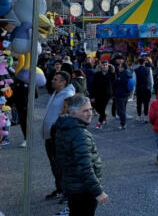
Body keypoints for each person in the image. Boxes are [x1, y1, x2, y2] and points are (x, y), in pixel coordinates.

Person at [55, 96, 108, 216]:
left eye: (90, 109)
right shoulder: (80, 135)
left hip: (72, 187)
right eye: (85, 111)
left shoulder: (63, 128)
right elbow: (85, 167)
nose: (90, 113)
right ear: (73, 113)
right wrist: (98, 192)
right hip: (84, 190)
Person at [43, 71, 76, 201]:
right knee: (54, 165)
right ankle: (60, 189)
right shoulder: (56, 93)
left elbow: (69, 117)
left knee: (62, 165)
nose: (52, 80)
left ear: (63, 82)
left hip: (59, 137)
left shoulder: (67, 96)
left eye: (55, 79)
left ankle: (68, 193)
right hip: (50, 136)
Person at [91, 60, 115, 129]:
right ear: (101, 65)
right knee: (98, 108)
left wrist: (113, 96)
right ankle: (104, 116)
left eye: (106, 65)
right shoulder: (97, 74)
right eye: (103, 65)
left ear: (108, 65)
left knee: (102, 108)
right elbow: (93, 85)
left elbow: (115, 85)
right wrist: (92, 96)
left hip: (107, 94)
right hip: (98, 94)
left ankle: (99, 123)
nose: (104, 66)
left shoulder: (111, 74)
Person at [112, 63, 133, 129]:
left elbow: (118, 82)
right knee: (123, 108)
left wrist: (116, 81)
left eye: (120, 67)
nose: (118, 68)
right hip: (126, 94)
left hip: (120, 94)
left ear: (123, 68)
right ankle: (123, 122)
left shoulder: (123, 74)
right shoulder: (129, 73)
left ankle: (123, 124)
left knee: (120, 110)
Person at [133, 58, 153, 123]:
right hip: (147, 88)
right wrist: (151, 88)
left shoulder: (135, 70)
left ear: (138, 63)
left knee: (139, 103)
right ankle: (146, 117)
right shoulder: (149, 69)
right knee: (146, 103)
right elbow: (151, 80)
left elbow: (134, 81)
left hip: (139, 88)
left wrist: (134, 90)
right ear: (145, 63)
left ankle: (139, 116)